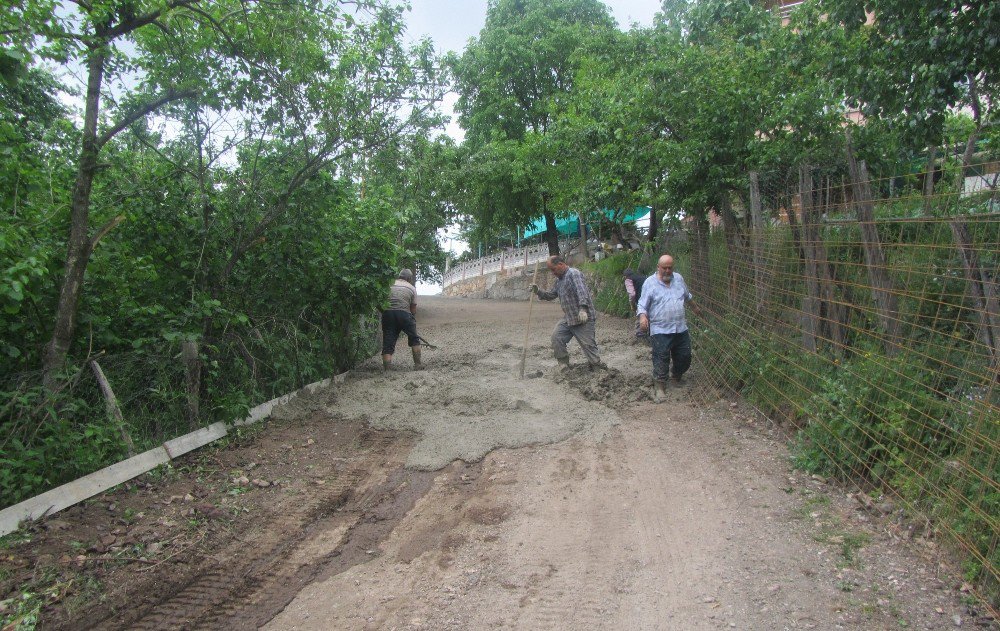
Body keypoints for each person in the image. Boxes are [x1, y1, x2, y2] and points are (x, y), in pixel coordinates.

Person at [637, 254, 700, 402]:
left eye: (670, 268)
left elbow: (687, 296)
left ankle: (676, 376)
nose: (667, 271)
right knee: (661, 358)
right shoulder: (650, 283)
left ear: (673, 268)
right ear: (658, 267)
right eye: (664, 268)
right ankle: (659, 387)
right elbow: (642, 304)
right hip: (660, 330)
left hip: (680, 328)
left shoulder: (678, 279)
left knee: (685, 356)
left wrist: (695, 308)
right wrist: (643, 317)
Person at [530, 255, 607, 371]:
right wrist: (538, 291)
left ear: (560, 265)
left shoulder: (573, 273)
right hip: (569, 318)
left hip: (583, 317)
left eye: (553, 269)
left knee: (589, 347)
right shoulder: (559, 281)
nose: (553, 273)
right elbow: (551, 295)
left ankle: (598, 368)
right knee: (557, 337)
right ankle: (563, 365)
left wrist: (582, 309)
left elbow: (582, 291)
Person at [381, 269, 425, 371]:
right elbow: (413, 308)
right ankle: (418, 365)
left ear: (399, 276)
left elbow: (382, 302)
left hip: (388, 314)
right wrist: (411, 322)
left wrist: (386, 312)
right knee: (414, 339)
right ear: (409, 278)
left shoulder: (389, 285)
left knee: (388, 340)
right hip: (404, 314)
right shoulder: (412, 288)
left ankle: (387, 369)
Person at [622, 267, 649, 339]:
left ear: (625, 276)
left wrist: (632, 303)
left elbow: (632, 294)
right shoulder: (643, 277)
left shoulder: (628, 280)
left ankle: (640, 336)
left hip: (640, 300)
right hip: (650, 298)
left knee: (639, 316)